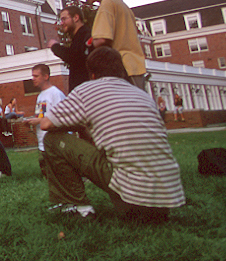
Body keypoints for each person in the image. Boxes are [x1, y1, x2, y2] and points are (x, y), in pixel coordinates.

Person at [30, 47, 186, 222]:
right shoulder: (142, 96)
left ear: (93, 74)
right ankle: (149, 205)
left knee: (52, 139)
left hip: (133, 199)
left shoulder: (87, 90)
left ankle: (79, 207)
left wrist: (82, 121)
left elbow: (46, 124)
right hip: (167, 198)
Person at [77, 0, 147, 90]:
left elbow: (102, 39)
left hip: (122, 69)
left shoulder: (107, 4)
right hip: (135, 66)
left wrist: (90, 43)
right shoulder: (121, 4)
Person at [26, 64, 66, 176]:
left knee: (59, 175)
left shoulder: (56, 94)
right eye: (32, 76)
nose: (33, 79)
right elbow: (41, 116)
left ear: (46, 76)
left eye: (36, 76)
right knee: (47, 175)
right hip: (42, 142)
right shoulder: (40, 96)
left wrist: (38, 121)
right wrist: (31, 121)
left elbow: (61, 117)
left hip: (54, 143)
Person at [47, 5, 92, 92]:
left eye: (64, 19)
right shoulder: (79, 36)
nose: (62, 23)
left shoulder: (85, 35)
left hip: (85, 90)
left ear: (76, 18)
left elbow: (73, 57)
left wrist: (55, 46)